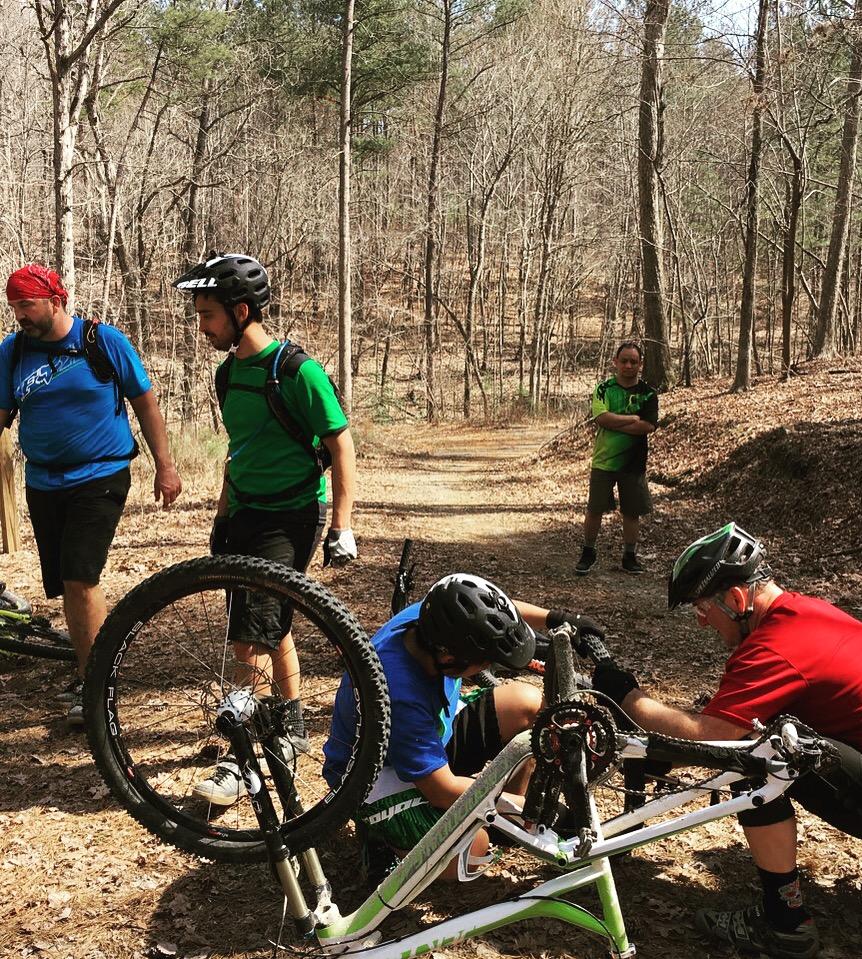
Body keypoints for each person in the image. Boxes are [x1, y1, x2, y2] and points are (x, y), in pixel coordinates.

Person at [592, 522, 862, 959]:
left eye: (702, 605)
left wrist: (629, 697)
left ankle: (785, 927)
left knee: (751, 755)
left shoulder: (774, 646)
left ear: (737, 598)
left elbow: (713, 739)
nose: (700, 618)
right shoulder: (811, 612)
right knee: (847, 732)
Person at [173, 252, 357, 806]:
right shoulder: (229, 371)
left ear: (242, 310)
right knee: (265, 620)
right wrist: (224, 511)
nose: (201, 326)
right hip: (247, 511)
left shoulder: (298, 371)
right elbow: (240, 447)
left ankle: (239, 753)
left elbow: (340, 445)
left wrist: (342, 525)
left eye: (207, 314)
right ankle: (292, 723)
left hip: (293, 514)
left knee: (248, 632)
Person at [323, 573, 605, 881]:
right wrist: (530, 809)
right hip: (376, 776)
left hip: (428, 738)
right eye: (485, 661)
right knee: (473, 853)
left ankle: (504, 820)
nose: (488, 666)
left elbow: (498, 613)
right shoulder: (400, 693)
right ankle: (382, 841)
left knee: (527, 704)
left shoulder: (433, 619)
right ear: (449, 657)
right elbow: (441, 790)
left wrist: (557, 618)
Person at [0, 263, 181, 725]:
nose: (19, 314)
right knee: (65, 584)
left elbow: (146, 404)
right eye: (14, 306)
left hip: (100, 475)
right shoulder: (14, 351)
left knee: (81, 576)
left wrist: (166, 466)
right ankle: (89, 673)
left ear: (55, 300)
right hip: (43, 481)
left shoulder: (103, 342)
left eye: (26, 305)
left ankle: (99, 689)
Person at [576, 341, 658, 576]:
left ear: (640, 364)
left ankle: (630, 556)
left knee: (632, 511)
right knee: (595, 509)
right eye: (624, 361)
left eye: (634, 361)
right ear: (615, 362)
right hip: (604, 460)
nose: (628, 365)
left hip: (633, 462)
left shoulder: (648, 393)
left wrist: (619, 421)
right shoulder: (604, 389)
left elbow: (648, 426)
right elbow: (602, 418)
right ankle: (588, 552)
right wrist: (632, 419)